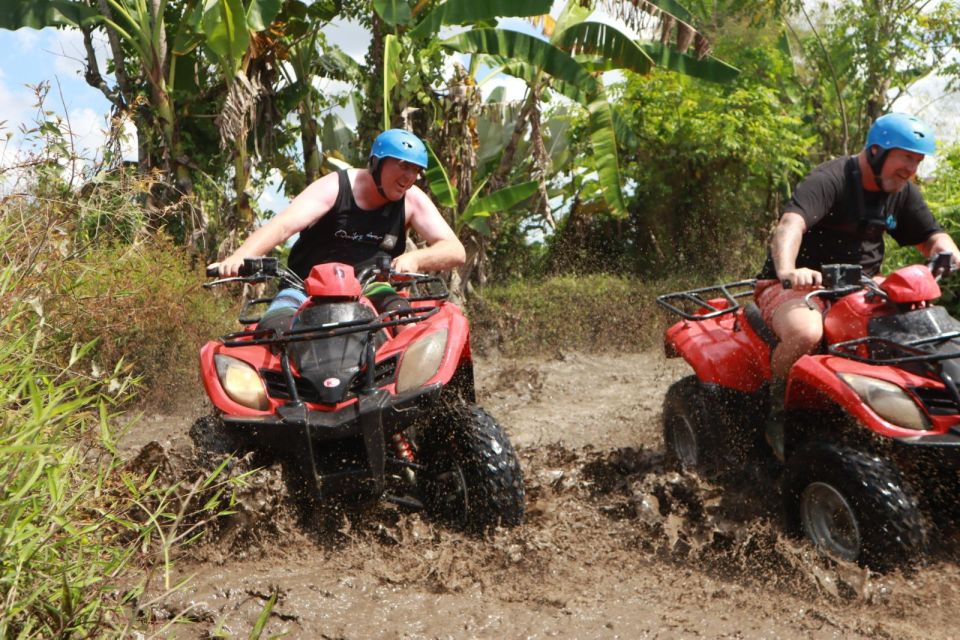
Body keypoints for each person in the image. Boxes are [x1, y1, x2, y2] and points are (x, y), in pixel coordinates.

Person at [754, 113, 960, 453]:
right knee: (807, 333)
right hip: (802, 285)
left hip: (862, 285)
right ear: (877, 151)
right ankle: (775, 409)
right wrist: (789, 270)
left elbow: (931, 235)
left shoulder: (901, 190)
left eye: (918, 160)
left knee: (925, 324)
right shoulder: (831, 178)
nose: (912, 168)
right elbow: (791, 224)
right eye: (907, 157)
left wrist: (946, 250)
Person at [209, 129, 466, 322]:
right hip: (304, 289)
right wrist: (241, 255)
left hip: (372, 288)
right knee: (274, 328)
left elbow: (455, 250)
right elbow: (283, 226)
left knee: (404, 321)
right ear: (376, 163)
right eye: (403, 166)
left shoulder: (412, 200)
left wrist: (417, 259)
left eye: (416, 170)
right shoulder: (335, 187)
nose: (409, 177)